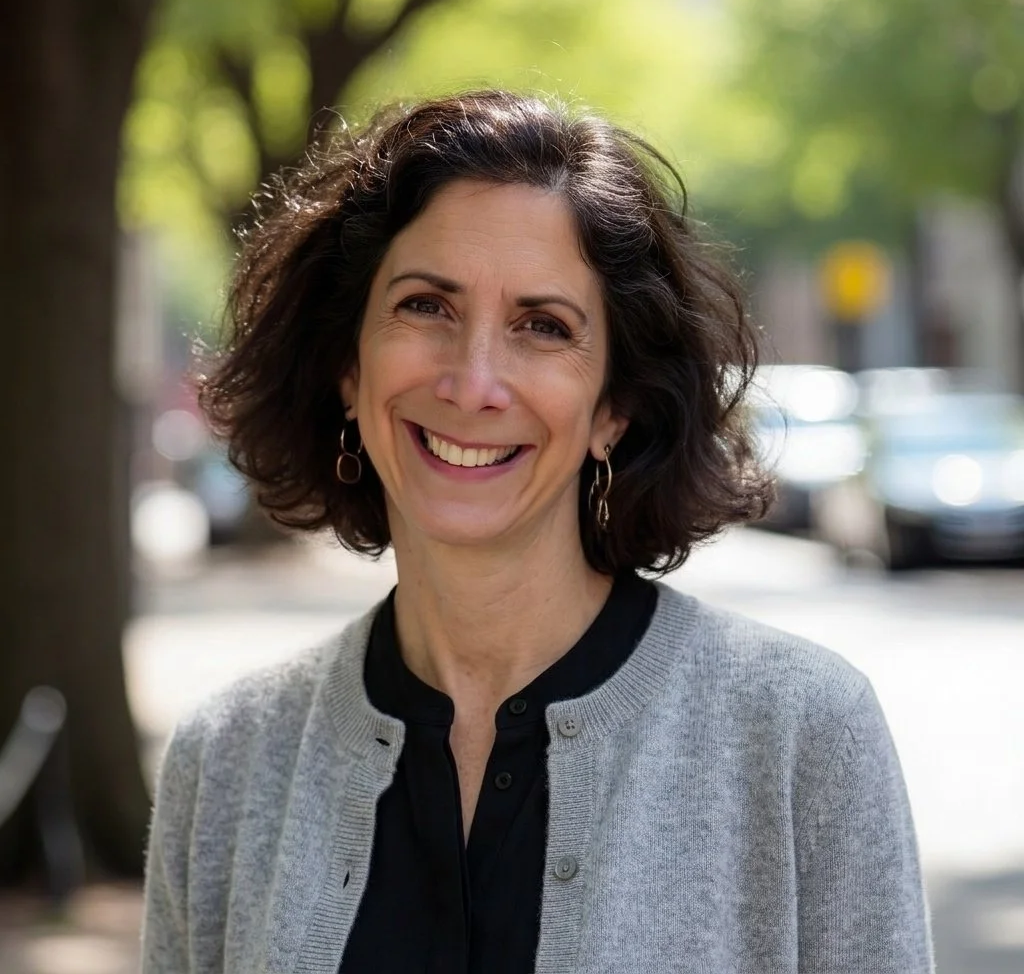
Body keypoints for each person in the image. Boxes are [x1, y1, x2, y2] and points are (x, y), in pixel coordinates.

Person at [141, 90, 934, 973]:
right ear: (346, 367)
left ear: (613, 409)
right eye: (425, 307)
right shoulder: (228, 759)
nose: (474, 382)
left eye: (542, 327)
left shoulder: (801, 733)